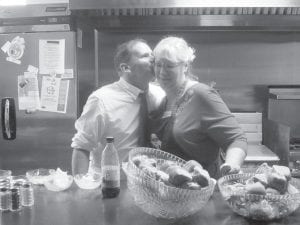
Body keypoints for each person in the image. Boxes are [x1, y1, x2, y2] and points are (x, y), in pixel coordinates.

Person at [151, 36, 247, 178]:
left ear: (185, 66)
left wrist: (231, 166)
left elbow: (236, 139)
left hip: (202, 190)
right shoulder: (161, 101)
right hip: (170, 189)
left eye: (169, 66)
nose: (162, 72)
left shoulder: (202, 95)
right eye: (158, 64)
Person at [71, 38, 164, 176]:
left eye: (152, 55)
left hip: (151, 183)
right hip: (112, 184)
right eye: (145, 56)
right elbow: (82, 147)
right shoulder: (101, 100)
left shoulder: (160, 94)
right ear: (125, 68)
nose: (153, 60)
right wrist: (81, 188)